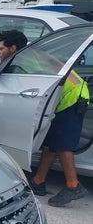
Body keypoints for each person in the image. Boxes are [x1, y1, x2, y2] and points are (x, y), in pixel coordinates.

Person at [28, 55, 90, 207]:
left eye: (1, 48)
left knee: (63, 143)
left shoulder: (25, 62)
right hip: (62, 97)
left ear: (13, 48)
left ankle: (73, 185)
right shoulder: (31, 55)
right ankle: (38, 181)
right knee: (50, 142)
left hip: (73, 97)